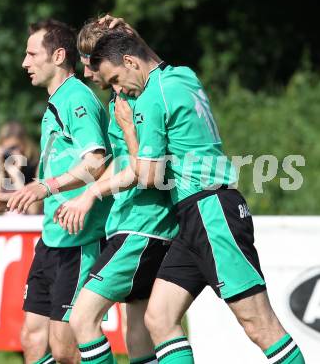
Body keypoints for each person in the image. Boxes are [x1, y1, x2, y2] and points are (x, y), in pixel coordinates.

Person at [63, 30, 305, 364]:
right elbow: (144, 54)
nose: (118, 90)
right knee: (159, 319)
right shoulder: (183, 75)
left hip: (211, 212)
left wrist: (130, 130)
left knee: (260, 325)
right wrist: (126, 35)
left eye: (116, 79)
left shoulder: (150, 97)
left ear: (131, 61)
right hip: (192, 218)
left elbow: (148, 175)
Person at [0, 19, 113, 364]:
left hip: (80, 238)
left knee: (66, 349)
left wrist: (43, 187)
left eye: (32, 53)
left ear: (58, 56)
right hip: (52, 238)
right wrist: (17, 195)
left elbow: (97, 162)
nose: (25, 63)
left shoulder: (76, 98)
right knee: (32, 340)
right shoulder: (58, 100)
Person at [53, 17, 178, 364]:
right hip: (133, 222)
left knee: (82, 318)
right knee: (140, 332)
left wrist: (93, 193)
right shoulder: (119, 96)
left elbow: (144, 169)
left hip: (144, 224)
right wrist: (68, 191)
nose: (86, 71)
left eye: (91, 62)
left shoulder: (139, 93)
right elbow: (121, 163)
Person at [0, 121, 41, 214]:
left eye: (14, 147)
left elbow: (33, 210)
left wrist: (16, 175)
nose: (9, 153)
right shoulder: (2, 167)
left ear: (24, 145)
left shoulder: (35, 165)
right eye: (6, 149)